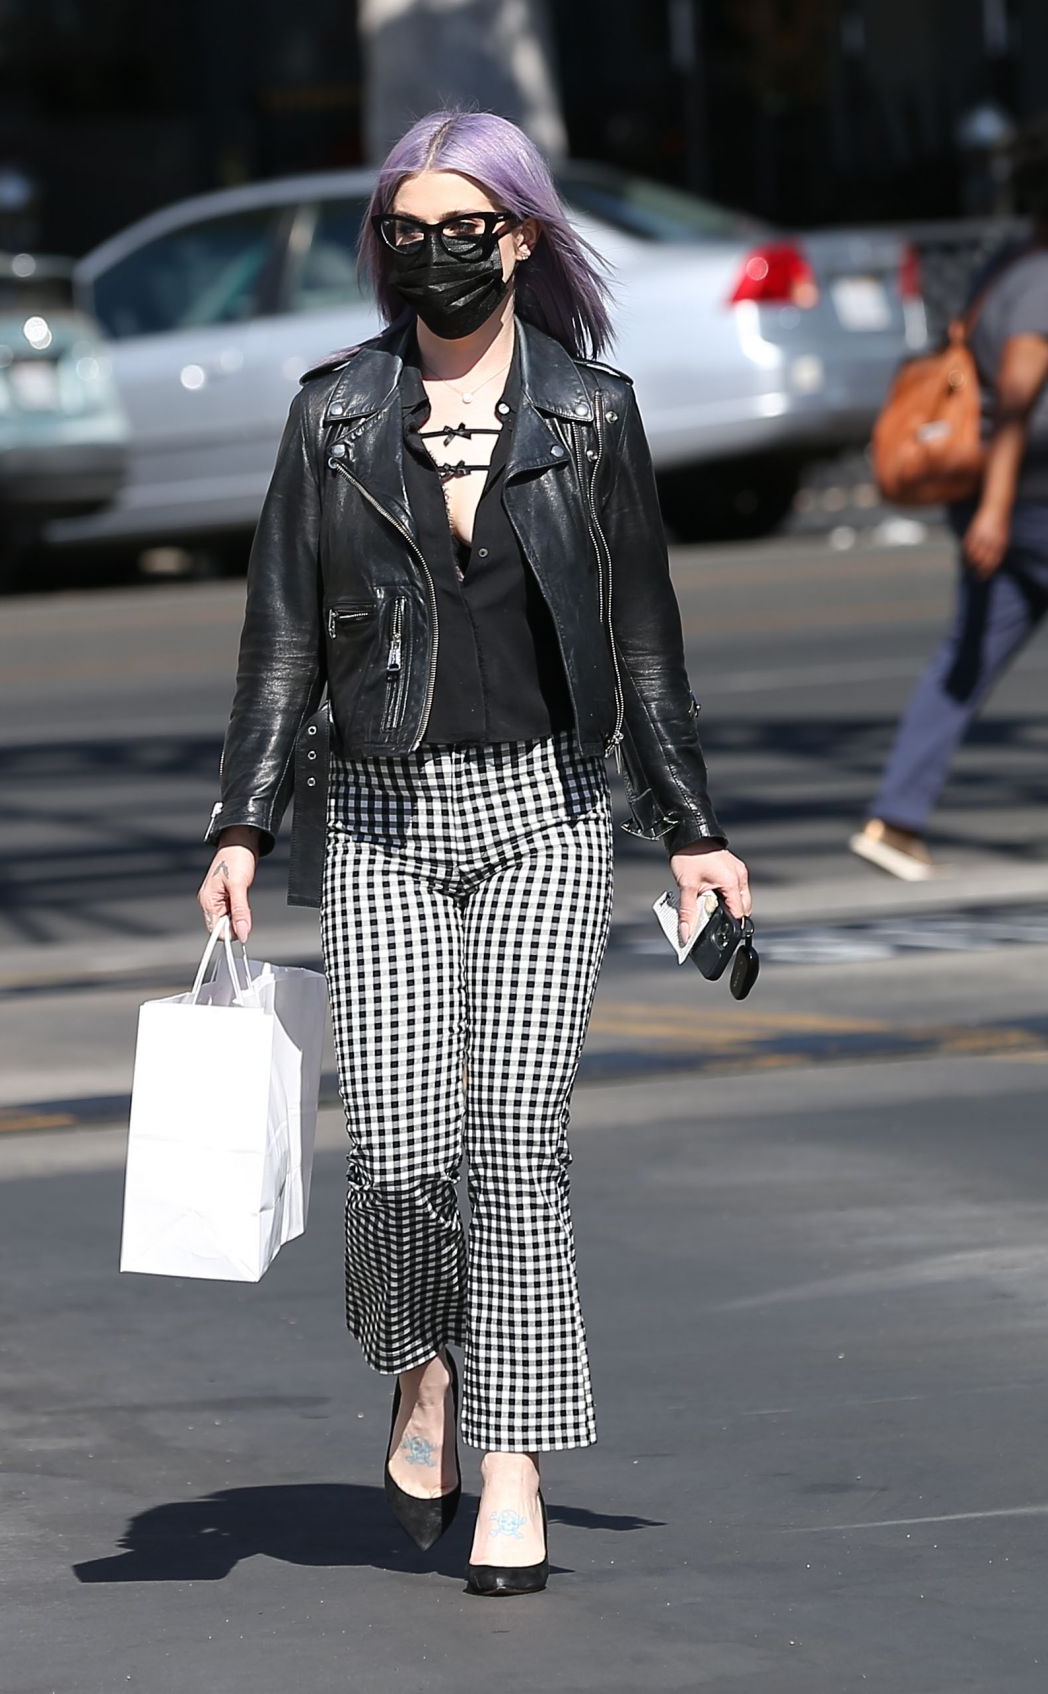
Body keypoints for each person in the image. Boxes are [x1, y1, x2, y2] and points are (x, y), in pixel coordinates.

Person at [197, 108, 750, 1596]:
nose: (429, 255)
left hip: (548, 818)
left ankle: (512, 1460)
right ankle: (423, 1371)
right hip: (377, 817)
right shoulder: (330, 413)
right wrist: (244, 821)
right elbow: (282, 638)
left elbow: (644, 640)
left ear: (517, 236)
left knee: (514, 1148)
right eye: (403, 231)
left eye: (460, 228)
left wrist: (691, 832)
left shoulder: (590, 414)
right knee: (397, 1149)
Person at [853, 117, 1048, 880]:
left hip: (1003, 506)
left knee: (966, 658)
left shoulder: (1006, 266)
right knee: (967, 654)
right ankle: (896, 817)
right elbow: (1020, 402)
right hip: (1030, 503)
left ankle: (896, 819)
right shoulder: (1040, 278)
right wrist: (998, 509)